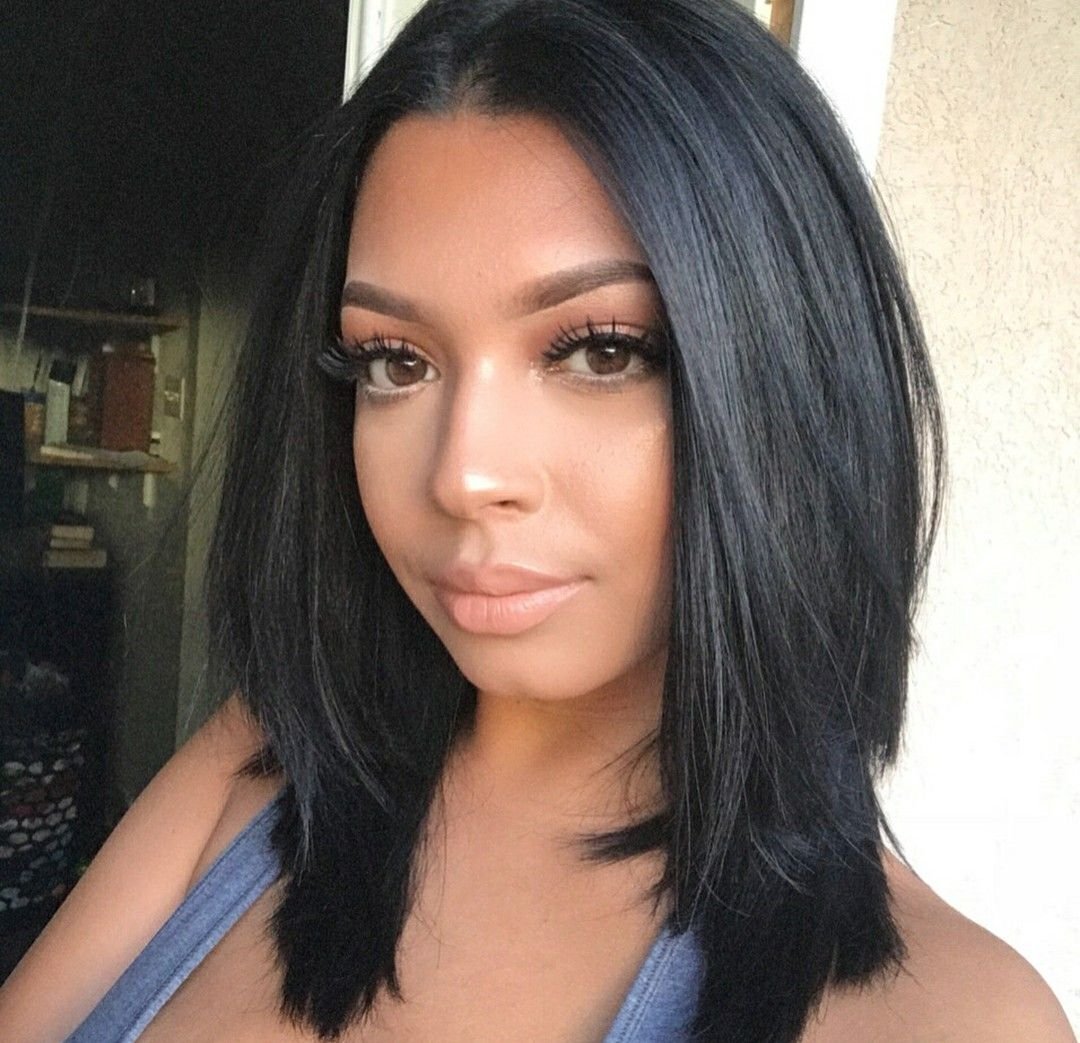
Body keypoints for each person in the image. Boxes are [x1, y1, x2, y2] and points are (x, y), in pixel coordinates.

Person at [1, 0, 1074, 1040]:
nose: (463, 474)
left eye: (602, 350)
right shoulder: (260, 767)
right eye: (395, 361)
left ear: (790, 378)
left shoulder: (957, 1017)